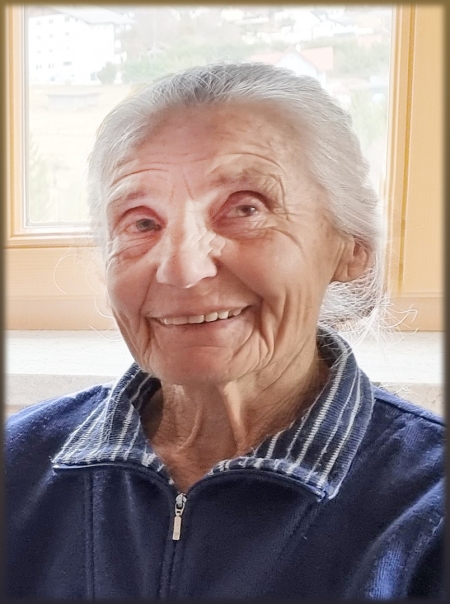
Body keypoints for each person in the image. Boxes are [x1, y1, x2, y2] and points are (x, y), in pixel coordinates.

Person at [6, 63, 443, 599]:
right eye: (142, 222)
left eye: (245, 209)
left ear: (352, 247)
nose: (182, 269)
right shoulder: (17, 466)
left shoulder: (429, 506)